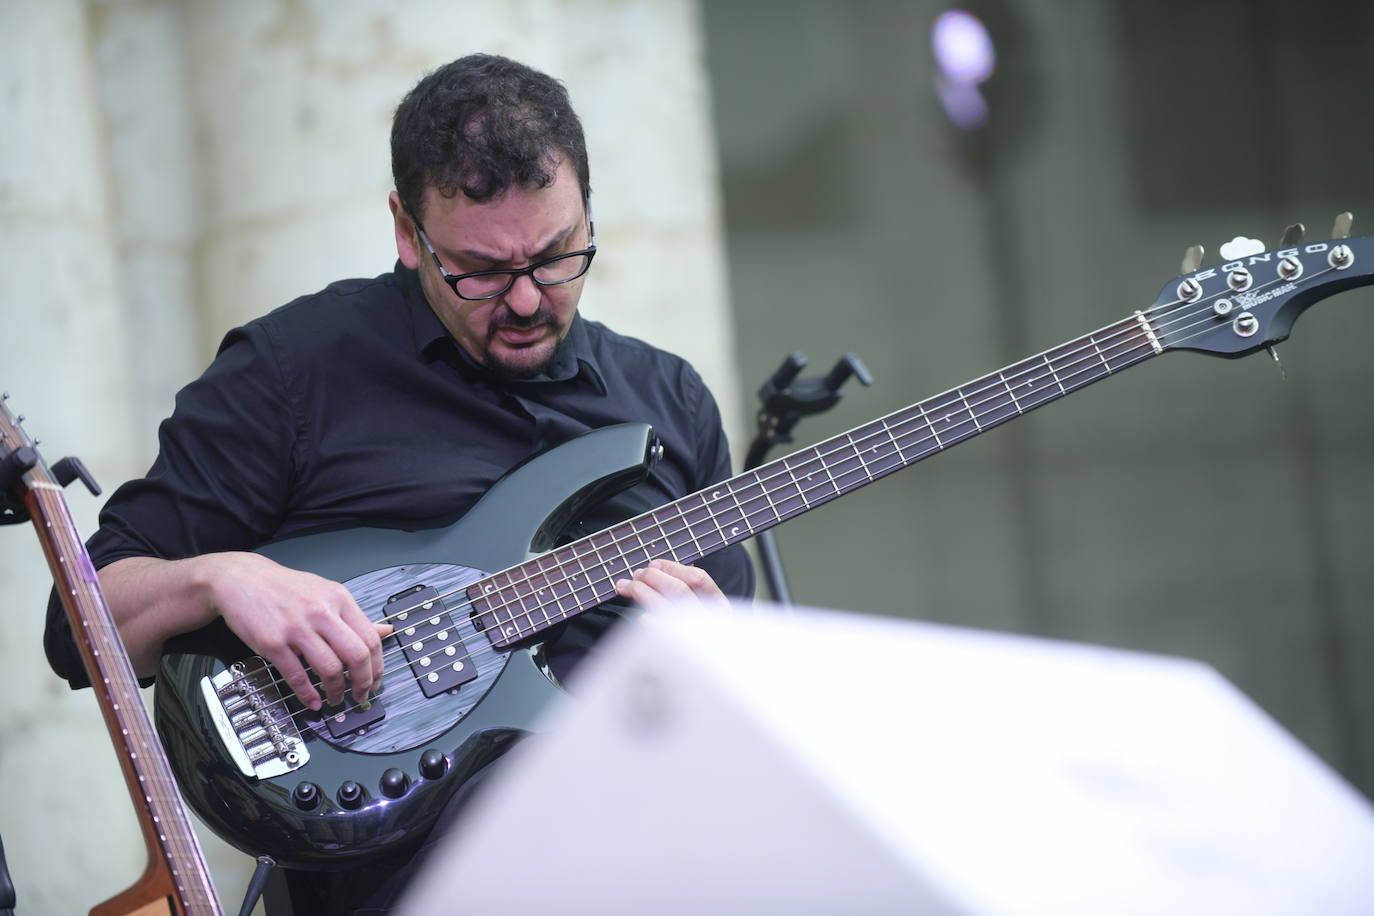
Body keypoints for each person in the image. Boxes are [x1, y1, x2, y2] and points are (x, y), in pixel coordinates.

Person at [44, 53, 754, 912]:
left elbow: (740, 714)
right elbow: (78, 627)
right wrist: (218, 577)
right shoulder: (291, 372)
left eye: (558, 256)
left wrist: (720, 661)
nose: (527, 301)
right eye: (482, 270)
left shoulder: (669, 401)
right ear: (405, 230)